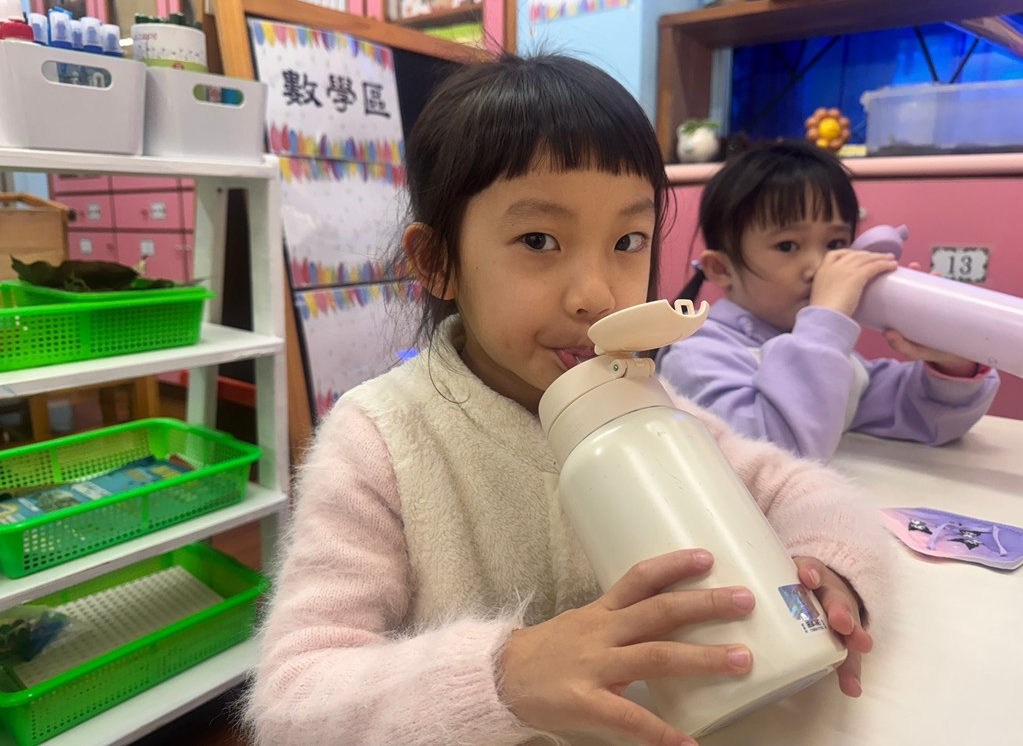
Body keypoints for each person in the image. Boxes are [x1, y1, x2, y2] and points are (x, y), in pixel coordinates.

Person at [243, 56, 890, 746]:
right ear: (437, 262)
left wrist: (828, 569)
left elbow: (807, 490)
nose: (597, 295)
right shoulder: (380, 438)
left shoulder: (648, 406)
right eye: (539, 241)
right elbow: (291, 701)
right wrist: (504, 677)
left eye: (628, 241)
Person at [656, 141, 998, 462]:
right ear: (722, 269)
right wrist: (826, 318)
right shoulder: (696, 356)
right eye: (788, 246)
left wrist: (951, 363)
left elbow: (924, 417)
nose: (820, 266)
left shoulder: (827, 353)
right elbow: (776, 456)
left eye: (835, 244)